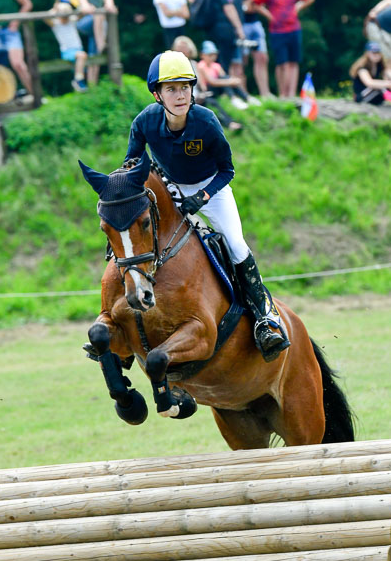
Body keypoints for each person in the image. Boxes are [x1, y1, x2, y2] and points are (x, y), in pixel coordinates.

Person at [124, 50, 290, 362]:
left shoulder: (206, 121)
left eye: (185, 87)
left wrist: (202, 198)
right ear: (157, 94)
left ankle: (266, 319)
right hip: (170, 188)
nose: (180, 95)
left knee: (236, 245)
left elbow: (228, 170)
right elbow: (132, 163)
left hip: (211, 189)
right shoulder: (145, 122)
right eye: (171, 89)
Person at [252, 0, 315, 98]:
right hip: (277, 31)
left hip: (293, 29)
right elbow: (255, 3)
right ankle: (282, 94)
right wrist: (268, 15)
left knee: (293, 62)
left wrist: (298, 7)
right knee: (282, 63)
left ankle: (291, 93)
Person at [172, 35, 242, 132]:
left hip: (197, 94)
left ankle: (229, 122)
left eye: (184, 47)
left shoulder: (194, 64)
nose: (182, 50)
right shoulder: (173, 66)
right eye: (180, 48)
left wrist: (203, 93)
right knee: (208, 105)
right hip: (184, 96)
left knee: (211, 102)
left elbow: (200, 83)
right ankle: (227, 123)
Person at [195, 0, 246, 79]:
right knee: (224, 61)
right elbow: (229, 8)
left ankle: (213, 88)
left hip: (209, 28)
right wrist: (239, 29)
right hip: (224, 29)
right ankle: (224, 90)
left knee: (211, 61)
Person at [232, 0, 271, 97]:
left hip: (254, 22)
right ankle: (244, 92)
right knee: (242, 60)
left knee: (262, 57)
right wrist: (250, 2)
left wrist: (252, 3)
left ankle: (265, 92)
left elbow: (254, 0)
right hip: (242, 24)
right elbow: (242, 5)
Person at [75, 0, 117, 86]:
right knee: (99, 14)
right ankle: (101, 43)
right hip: (85, 22)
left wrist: (110, 6)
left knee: (94, 55)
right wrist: (91, 8)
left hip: (98, 26)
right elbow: (83, 3)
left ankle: (92, 84)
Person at [349, 42, 391, 109]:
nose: (376, 55)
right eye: (373, 53)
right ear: (367, 53)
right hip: (362, 96)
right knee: (382, 89)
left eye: (378, 53)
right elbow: (369, 83)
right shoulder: (362, 68)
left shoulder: (380, 66)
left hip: (374, 95)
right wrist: (388, 84)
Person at [197, 40, 250, 110]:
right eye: (210, 55)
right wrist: (230, 81)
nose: (212, 57)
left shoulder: (216, 65)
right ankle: (234, 98)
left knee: (226, 78)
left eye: (214, 54)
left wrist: (232, 81)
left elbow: (224, 77)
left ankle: (246, 97)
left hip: (218, 87)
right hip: (208, 90)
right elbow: (211, 82)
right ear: (202, 55)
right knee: (227, 80)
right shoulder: (201, 66)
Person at [47, 2, 88, 92]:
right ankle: (78, 81)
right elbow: (46, 17)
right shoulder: (56, 24)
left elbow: (81, 12)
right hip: (68, 52)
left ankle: (80, 85)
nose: (65, 17)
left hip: (78, 50)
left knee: (81, 67)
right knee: (82, 56)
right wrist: (54, 10)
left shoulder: (72, 21)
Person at [366, 0, 391, 73]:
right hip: (376, 27)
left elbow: (388, 0)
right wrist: (374, 11)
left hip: (383, 29)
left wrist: (375, 10)